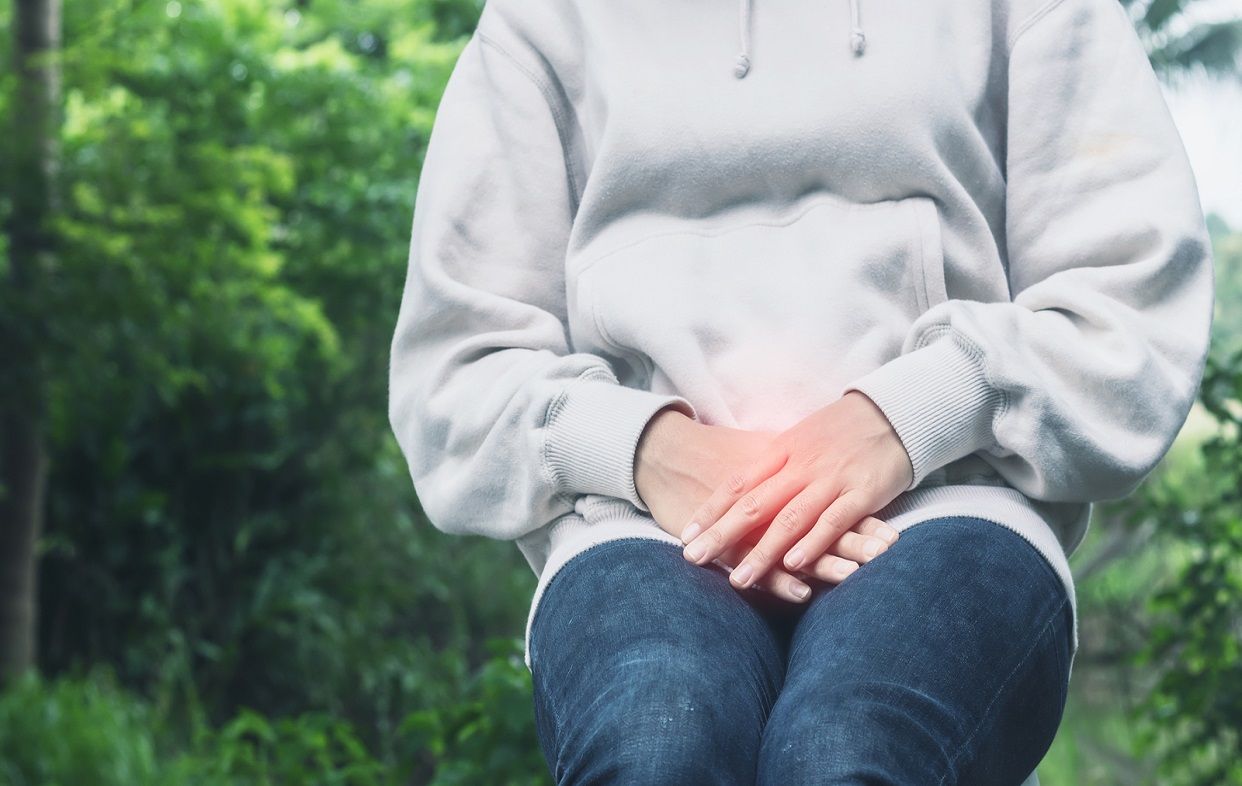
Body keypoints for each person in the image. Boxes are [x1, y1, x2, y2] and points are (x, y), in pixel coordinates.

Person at [387, 0, 1215, 781]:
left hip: (955, 505)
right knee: (656, 747)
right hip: (641, 530)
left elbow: (1126, 309)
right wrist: (645, 449)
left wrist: (909, 416)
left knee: (847, 752)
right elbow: (457, 367)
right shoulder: (539, 21)